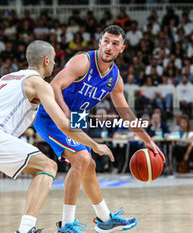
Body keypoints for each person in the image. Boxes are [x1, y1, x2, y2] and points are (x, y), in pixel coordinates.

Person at [0, 41, 113, 233]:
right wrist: (95, 145)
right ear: (46, 60)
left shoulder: (8, 77)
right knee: (48, 167)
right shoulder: (40, 84)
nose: (54, 64)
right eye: (54, 60)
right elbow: (63, 124)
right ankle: (26, 229)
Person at [34, 25, 165, 233]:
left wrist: (148, 140)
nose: (108, 47)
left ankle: (104, 219)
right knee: (82, 159)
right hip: (51, 115)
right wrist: (66, 112)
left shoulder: (114, 77)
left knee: (89, 165)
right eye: (105, 41)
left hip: (75, 118)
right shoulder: (84, 61)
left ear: (122, 48)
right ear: (99, 42)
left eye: (114, 43)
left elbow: (126, 114)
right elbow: (54, 86)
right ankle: (66, 225)